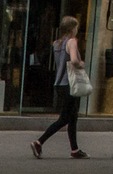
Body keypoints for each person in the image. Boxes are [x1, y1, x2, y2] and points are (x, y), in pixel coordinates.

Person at [31, 16, 90, 160]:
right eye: (76, 27)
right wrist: (81, 64)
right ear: (72, 29)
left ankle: (75, 149)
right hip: (70, 84)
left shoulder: (56, 43)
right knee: (64, 118)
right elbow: (75, 60)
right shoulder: (71, 41)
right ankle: (39, 142)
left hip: (60, 83)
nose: (77, 30)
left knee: (73, 117)